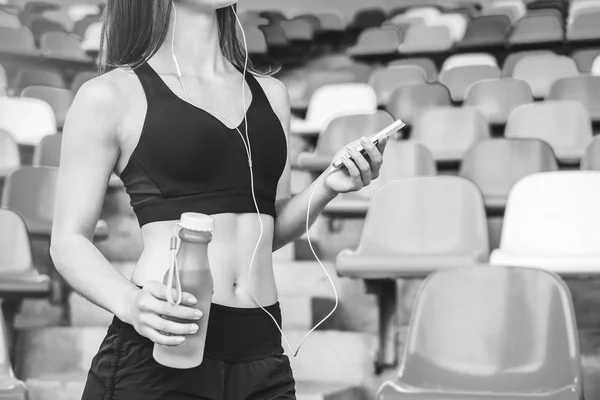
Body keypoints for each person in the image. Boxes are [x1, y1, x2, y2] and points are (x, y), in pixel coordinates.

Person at [49, 1, 388, 399]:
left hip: (262, 353)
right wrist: (129, 302)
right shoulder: (109, 95)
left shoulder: (271, 94)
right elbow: (68, 240)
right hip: (164, 346)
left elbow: (269, 227)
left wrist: (329, 185)